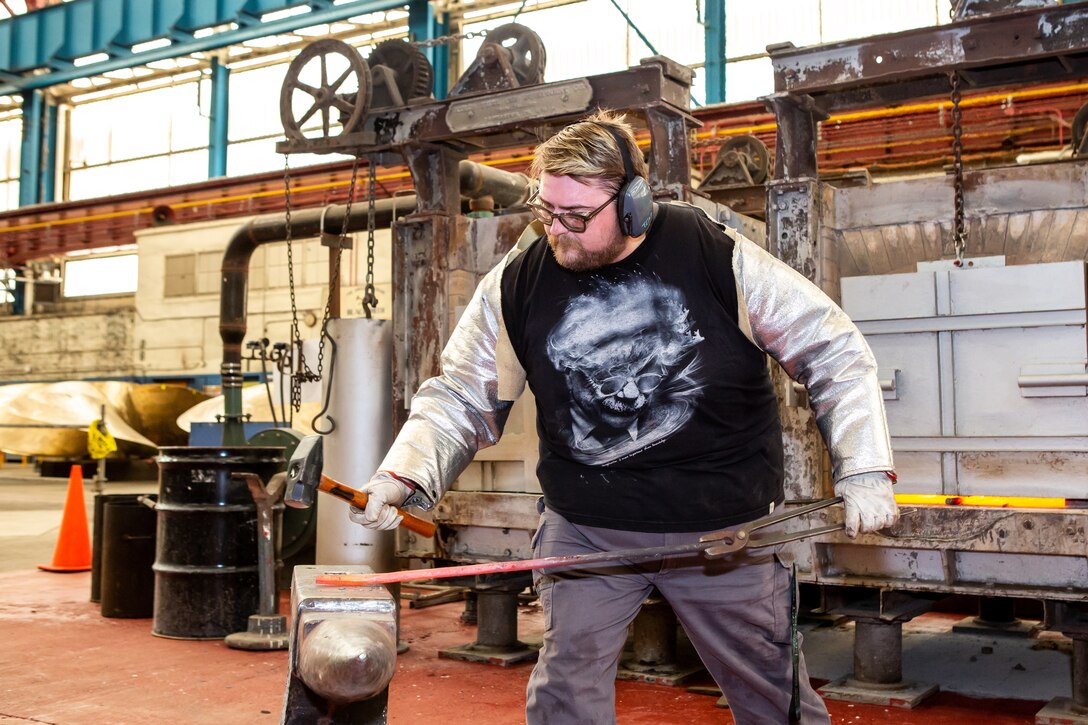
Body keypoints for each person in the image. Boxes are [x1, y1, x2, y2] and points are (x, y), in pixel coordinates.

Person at [349, 109, 898, 724]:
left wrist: (864, 466)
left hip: (723, 531)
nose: (557, 231)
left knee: (774, 700)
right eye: (546, 211)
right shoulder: (518, 280)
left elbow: (832, 349)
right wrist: (405, 474)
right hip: (587, 528)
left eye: (577, 217)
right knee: (563, 697)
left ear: (633, 204)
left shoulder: (715, 256)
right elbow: (460, 393)